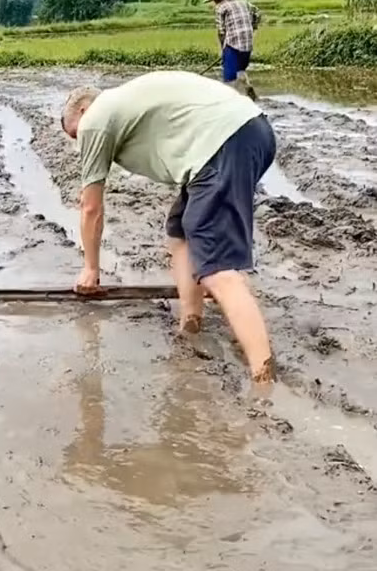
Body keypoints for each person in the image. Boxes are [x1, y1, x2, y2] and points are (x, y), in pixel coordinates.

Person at [61, 70, 277, 384]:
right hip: (249, 132)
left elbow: (91, 207)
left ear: (83, 110)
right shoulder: (123, 102)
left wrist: (91, 269)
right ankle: (191, 321)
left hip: (225, 141)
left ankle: (263, 375)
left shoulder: (95, 119)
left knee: (216, 266)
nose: (79, 143)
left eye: (74, 134)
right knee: (180, 232)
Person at [204, 0, 260, 99]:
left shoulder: (221, 7)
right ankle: (248, 88)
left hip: (233, 44)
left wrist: (223, 49)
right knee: (240, 69)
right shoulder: (244, 2)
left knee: (229, 78)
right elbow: (257, 14)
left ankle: (229, 100)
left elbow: (221, 31)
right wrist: (253, 27)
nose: (214, 2)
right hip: (247, 43)